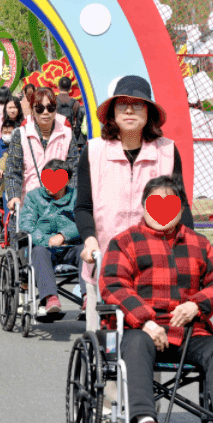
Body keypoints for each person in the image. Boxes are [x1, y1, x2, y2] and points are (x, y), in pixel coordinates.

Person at [101, 175, 213, 423]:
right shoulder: (125, 242)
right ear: (143, 206)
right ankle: (144, 421)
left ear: (180, 209)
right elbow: (113, 285)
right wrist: (145, 321)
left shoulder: (199, 244)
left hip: (189, 333)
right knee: (135, 342)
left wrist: (196, 304)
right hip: (140, 330)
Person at [75, 75, 194, 281]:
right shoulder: (93, 151)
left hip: (156, 266)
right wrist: (90, 240)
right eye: (122, 104)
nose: (129, 111)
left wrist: (189, 250)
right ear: (113, 112)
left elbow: (180, 207)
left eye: (138, 104)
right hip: (106, 263)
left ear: (149, 112)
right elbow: (83, 207)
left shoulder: (167, 151)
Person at [19, 159, 83, 315]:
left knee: (87, 251)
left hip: (71, 246)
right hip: (44, 247)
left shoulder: (76, 197)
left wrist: (64, 235)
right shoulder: (34, 197)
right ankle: (51, 298)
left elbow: (85, 220)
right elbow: (27, 225)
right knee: (39, 252)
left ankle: (88, 297)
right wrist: (46, 240)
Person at [5, 86, 79, 209]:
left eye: (50, 108)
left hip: (60, 207)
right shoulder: (21, 134)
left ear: (56, 110)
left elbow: (74, 171)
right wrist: (14, 196)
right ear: (32, 110)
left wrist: (72, 199)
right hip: (28, 205)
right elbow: (13, 170)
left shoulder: (67, 134)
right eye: (39, 108)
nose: (45, 112)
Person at [55, 76, 86, 148]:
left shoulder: (52, 101)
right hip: (69, 136)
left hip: (55, 135)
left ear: (58, 87)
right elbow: (78, 124)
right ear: (70, 88)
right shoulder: (75, 103)